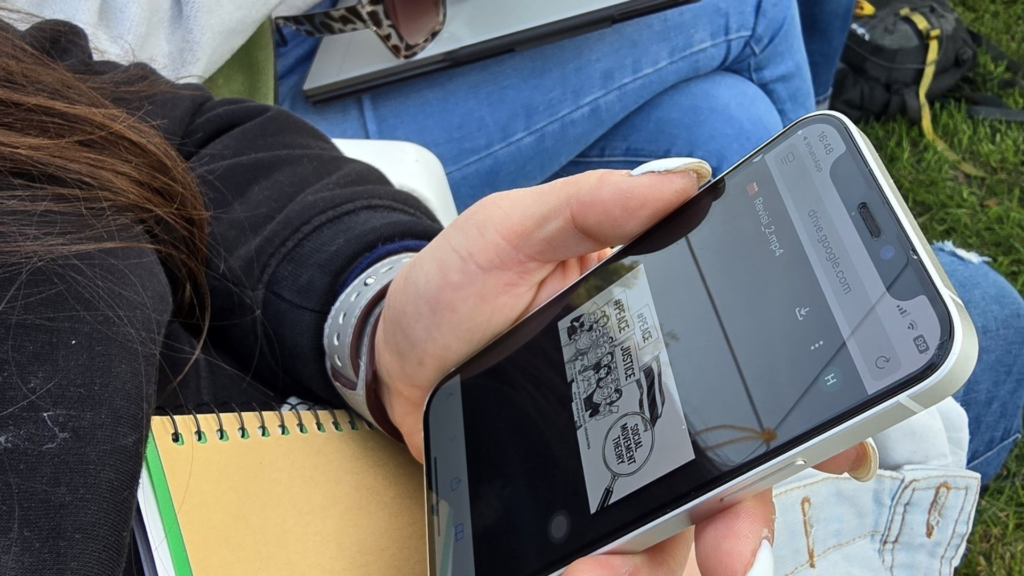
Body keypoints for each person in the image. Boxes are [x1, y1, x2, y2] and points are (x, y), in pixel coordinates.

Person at [0, 18, 875, 576]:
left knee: (726, 121)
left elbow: (139, 128)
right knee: (746, 27)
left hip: (362, 419)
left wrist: (376, 316)